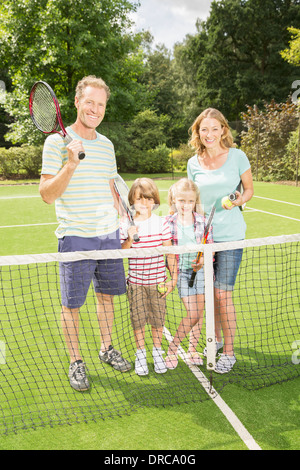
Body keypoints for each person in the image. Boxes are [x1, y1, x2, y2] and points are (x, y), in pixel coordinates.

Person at [39, 75, 131, 392]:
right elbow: (47, 194)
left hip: (108, 236)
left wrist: (125, 221)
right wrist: (70, 165)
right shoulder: (56, 143)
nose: (95, 109)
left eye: (101, 104)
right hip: (75, 237)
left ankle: (106, 348)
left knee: (106, 297)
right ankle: (76, 362)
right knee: (72, 305)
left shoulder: (107, 146)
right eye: (89, 102)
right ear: (77, 102)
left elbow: (112, 189)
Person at [187, 107, 254, 373]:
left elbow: (248, 190)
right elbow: (193, 201)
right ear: (198, 132)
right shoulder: (193, 163)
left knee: (222, 294)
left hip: (231, 237)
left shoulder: (238, 156)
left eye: (215, 128)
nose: (210, 134)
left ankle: (229, 352)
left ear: (223, 130)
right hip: (205, 239)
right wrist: (194, 237)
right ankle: (213, 341)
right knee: (210, 295)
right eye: (205, 129)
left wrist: (239, 199)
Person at [119, 178, 177, 376]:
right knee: (138, 320)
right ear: (132, 202)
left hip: (158, 282)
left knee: (158, 320)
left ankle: (157, 352)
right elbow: (122, 252)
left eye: (149, 199)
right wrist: (128, 237)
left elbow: (170, 253)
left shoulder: (161, 223)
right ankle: (141, 354)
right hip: (136, 284)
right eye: (139, 199)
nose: (144, 203)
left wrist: (173, 279)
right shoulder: (127, 225)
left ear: (155, 201)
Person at [164, 178, 213, 369]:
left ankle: (192, 350)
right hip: (181, 273)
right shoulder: (167, 222)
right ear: (174, 200)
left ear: (196, 201)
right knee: (192, 313)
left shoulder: (202, 221)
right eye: (181, 201)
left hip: (200, 272)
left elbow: (211, 247)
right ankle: (173, 350)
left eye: (190, 201)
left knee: (199, 314)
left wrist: (202, 261)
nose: (186, 205)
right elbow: (166, 250)